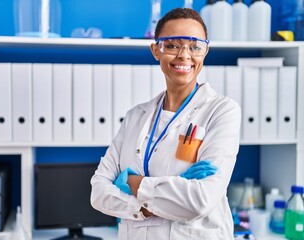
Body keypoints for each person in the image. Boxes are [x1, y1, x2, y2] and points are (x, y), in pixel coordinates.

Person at [90, 7, 241, 240]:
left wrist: (133, 183)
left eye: (195, 46)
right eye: (172, 45)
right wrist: (144, 205)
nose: (184, 55)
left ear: (205, 51)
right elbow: (98, 191)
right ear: (155, 50)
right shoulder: (135, 117)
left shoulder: (222, 111)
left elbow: (200, 200)